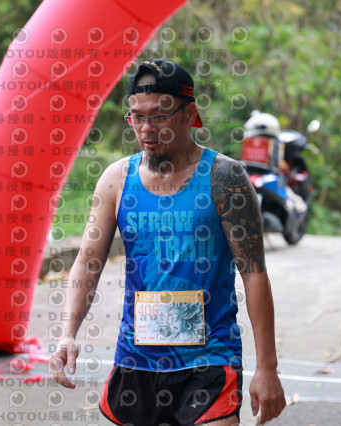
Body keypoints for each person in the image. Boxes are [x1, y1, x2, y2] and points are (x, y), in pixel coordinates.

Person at [50, 59, 286, 425]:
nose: (146, 129)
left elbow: (254, 273)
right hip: (136, 361)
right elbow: (87, 263)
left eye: (159, 116)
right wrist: (67, 334)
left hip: (210, 361)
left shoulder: (225, 178)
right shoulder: (116, 180)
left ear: (189, 114)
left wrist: (267, 368)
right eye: (136, 117)